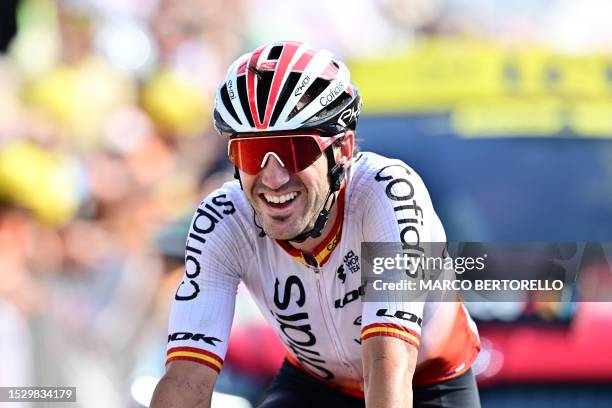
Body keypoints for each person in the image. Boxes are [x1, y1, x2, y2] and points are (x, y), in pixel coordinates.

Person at [150, 41, 480, 408]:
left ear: (343, 149)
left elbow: (389, 365)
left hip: (427, 381)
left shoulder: (388, 194)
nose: (273, 178)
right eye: (253, 153)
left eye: (294, 151)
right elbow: (185, 381)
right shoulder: (223, 222)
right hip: (315, 385)